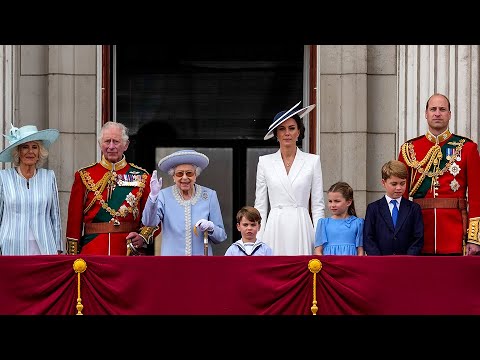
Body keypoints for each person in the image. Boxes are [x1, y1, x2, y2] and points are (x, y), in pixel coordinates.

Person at [398, 93, 480, 256]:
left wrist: (474, 238)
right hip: (419, 232)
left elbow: (476, 196)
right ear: (426, 114)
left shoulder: (467, 148)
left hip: (455, 233)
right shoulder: (409, 149)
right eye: (433, 109)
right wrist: (403, 233)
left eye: (442, 109)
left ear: (449, 114)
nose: (437, 113)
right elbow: (402, 195)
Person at [65, 121, 159, 256]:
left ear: (126, 145)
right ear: (100, 144)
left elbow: (154, 216)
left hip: (128, 251)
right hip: (93, 251)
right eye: (107, 141)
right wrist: (72, 256)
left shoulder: (143, 177)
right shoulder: (84, 175)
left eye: (116, 142)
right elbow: (74, 222)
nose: (111, 146)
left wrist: (143, 237)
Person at [254, 101, 325, 255]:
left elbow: (318, 206)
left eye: (292, 128)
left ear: (299, 132)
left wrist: (319, 240)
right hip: (275, 226)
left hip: (301, 225)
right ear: (276, 134)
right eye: (282, 129)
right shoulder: (264, 162)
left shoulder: (313, 161)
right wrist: (258, 239)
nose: (287, 133)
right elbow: (260, 206)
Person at [142, 149, 227, 255]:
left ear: (196, 175)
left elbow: (221, 237)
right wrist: (153, 197)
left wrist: (211, 228)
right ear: (173, 176)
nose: (185, 177)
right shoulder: (163, 195)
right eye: (179, 174)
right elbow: (148, 222)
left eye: (189, 173)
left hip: (200, 263)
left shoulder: (209, 196)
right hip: (173, 263)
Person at [0, 124, 63, 255]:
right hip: (12, 247)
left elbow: (55, 216)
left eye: (34, 147)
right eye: (25, 147)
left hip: (44, 247)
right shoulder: (4, 178)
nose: (30, 151)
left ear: (40, 152)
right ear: (18, 152)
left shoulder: (48, 177)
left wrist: (58, 247)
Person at [363, 160, 424, 255]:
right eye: (394, 184)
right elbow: (368, 237)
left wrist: (408, 258)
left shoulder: (414, 208)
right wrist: (378, 260)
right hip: (381, 263)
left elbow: (418, 237)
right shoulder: (373, 208)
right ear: (384, 182)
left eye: (402, 183)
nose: (399, 188)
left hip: (406, 263)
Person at [314, 182, 364, 256]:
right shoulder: (323, 223)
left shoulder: (358, 223)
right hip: (329, 265)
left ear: (349, 202)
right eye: (330, 201)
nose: (332, 205)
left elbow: (360, 251)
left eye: (337, 201)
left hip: (350, 265)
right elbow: (318, 251)